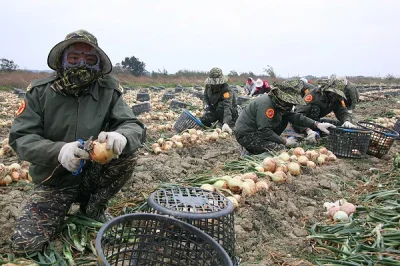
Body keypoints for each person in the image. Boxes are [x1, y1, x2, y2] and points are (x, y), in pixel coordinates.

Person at [9, 29, 146, 253]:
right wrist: (58, 151)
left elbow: (133, 126)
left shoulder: (108, 91)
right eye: (74, 58)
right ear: (63, 60)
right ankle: (59, 208)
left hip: (93, 174)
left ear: (97, 64)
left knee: (128, 154)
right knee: (25, 246)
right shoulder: (40, 92)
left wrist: (122, 136)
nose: (81, 63)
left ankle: (92, 209)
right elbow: (21, 138)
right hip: (55, 181)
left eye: (89, 59)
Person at [234, 85, 335, 155]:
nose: (290, 105)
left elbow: (295, 116)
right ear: (281, 98)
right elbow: (264, 130)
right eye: (289, 102)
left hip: (258, 132)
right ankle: (249, 150)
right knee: (279, 151)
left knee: (284, 119)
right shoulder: (266, 104)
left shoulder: (279, 105)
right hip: (247, 134)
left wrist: (316, 124)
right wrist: (284, 141)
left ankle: (258, 147)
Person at [200, 67, 238, 134]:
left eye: (217, 84)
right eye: (213, 84)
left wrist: (226, 122)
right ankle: (215, 124)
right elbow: (205, 97)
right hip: (215, 110)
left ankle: (224, 123)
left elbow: (227, 106)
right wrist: (206, 106)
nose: (215, 85)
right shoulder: (208, 86)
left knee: (221, 105)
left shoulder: (226, 90)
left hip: (228, 112)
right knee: (204, 120)